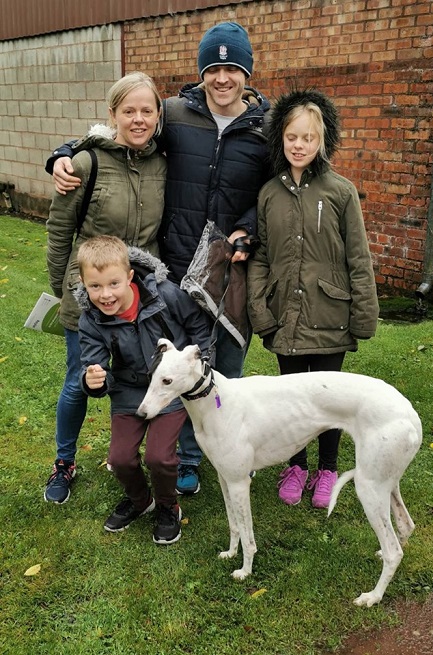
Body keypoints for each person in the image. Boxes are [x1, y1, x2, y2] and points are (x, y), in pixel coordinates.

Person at [46, 22, 272, 496]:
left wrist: (247, 227)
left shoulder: (265, 129)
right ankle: (157, 458)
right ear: (202, 73)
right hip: (170, 267)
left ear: (247, 73)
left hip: (226, 266)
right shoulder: (176, 114)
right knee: (155, 366)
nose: (223, 78)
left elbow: (275, 186)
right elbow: (118, 132)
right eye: (214, 68)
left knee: (224, 368)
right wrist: (63, 153)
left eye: (233, 68)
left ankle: (215, 451)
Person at [247, 89, 379, 509]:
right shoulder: (269, 193)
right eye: (291, 137)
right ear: (280, 139)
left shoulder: (340, 192)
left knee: (327, 401)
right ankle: (296, 465)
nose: (299, 145)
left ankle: (326, 469)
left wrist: (364, 313)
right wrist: (259, 309)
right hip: (286, 315)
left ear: (322, 141)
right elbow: (262, 256)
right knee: (291, 403)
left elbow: (358, 256)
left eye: (307, 138)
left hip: (329, 316)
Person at [44, 72, 167, 504]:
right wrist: (65, 289)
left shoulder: (162, 161)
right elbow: (60, 231)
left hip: (141, 297)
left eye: (146, 110)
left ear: (157, 115)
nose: (138, 119)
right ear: (112, 113)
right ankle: (64, 463)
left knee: (146, 377)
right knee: (80, 380)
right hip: (90, 294)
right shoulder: (83, 164)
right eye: (128, 110)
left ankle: (149, 456)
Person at [76, 236, 210, 543]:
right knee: (120, 459)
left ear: (130, 277)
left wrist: (200, 361)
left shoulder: (164, 294)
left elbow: (197, 325)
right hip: (128, 392)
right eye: (94, 287)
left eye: (113, 284)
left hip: (167, 394)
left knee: (159, 458)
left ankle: (167, 506)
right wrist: (93, 380)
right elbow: (94, 364)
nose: (105, 295)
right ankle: (140, 500)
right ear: (83, 284)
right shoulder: (90, 320)